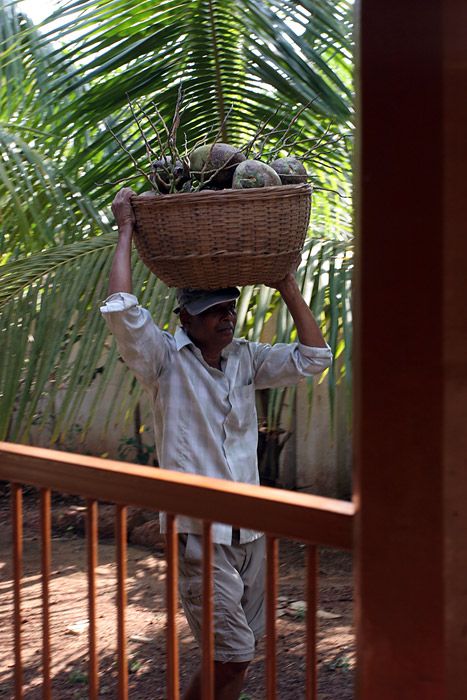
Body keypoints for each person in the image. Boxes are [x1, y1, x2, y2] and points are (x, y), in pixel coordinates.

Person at [101, 187, 332, 700]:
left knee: (234, 658)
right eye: (211, 311)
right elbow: (122, 310)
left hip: (250, 530)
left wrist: (286, 283)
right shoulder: (165, 360)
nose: (225, 317)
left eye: (229, 308)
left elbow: (314, 359)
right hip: (198, 532)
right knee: (234, 653)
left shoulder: (247, 358)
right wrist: (125, 232)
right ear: (185, 320)